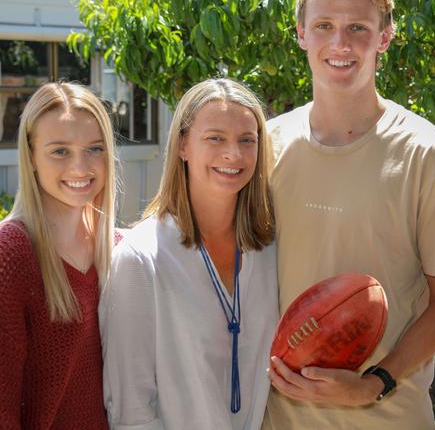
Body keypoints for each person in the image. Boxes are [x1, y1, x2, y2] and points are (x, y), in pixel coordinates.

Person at [264, 0, 435, 429]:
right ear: (300, 34)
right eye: (324, 26)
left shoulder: (431, 157)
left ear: (385, 37)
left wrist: (375, 382)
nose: (340, 43)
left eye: (358, 27)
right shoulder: (265, 146)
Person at [100, 78, 277, 429]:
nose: (234, 154)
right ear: (183, 144)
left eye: (247, 140)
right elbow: (130, 410)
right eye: (215, 138)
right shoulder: (140, 259)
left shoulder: (270, 250)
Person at [0, 82, 117, 429]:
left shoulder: (121, 250)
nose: (80, 167)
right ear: (31, 157)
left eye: (94, 148)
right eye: (60, 151)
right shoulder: (10, 257)